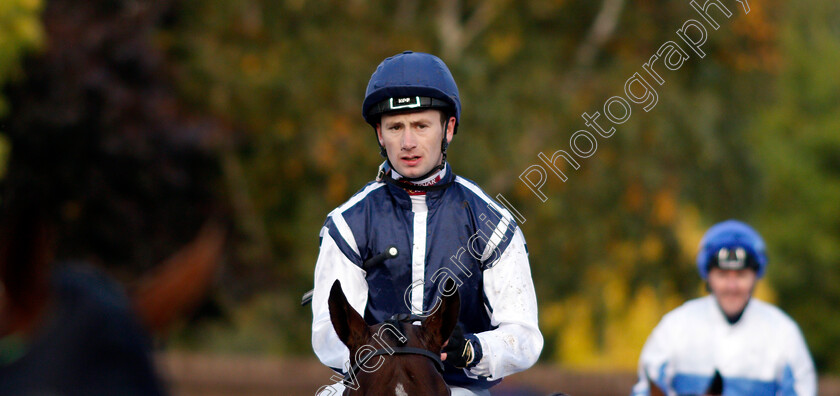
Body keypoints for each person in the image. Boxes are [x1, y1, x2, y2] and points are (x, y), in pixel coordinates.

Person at [310, 51, 543, 395]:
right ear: (379, 133)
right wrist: (379, 357)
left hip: (458, 387)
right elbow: (328, 333)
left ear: (447, 128)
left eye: (421, 126)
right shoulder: (346, 224)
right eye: (395, 127)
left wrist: (472, 350)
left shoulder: (493, 223)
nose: (407, 143)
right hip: (371, 384)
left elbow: (525, 337)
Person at [631, 220, 817, 396]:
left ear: (755, 277)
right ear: (708, 276)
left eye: (741, 275)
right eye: (722, 275)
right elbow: (646, 388)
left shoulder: (783, 332)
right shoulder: (675, 326)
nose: (732, 286)